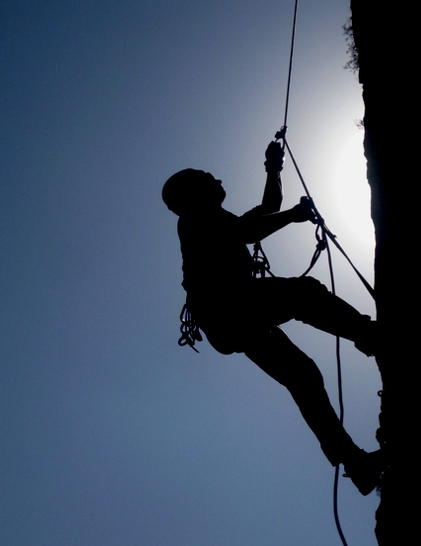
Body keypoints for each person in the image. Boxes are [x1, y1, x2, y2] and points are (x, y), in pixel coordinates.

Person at [162, 141, 383, 495]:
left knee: (303, 375)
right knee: (304, 294)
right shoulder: (194, 221)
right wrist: (294, 216)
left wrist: (273, 169)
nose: (216, 179)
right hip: (231, 309)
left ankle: (356, 464)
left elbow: (267, 209)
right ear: (189, 196)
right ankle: (369, 335)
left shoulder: (212, 220)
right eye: (207, 178)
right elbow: (249, 232)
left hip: (232, 320)